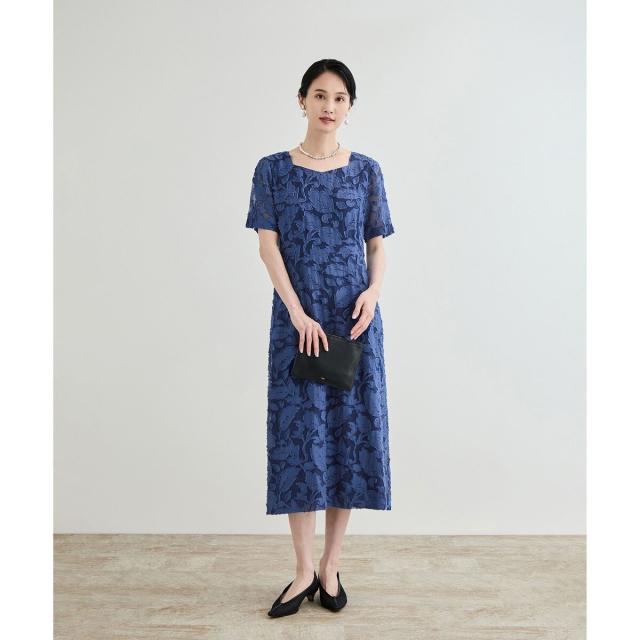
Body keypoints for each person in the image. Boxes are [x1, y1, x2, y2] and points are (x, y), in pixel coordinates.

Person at [245, 59, 395, 618]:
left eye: (339, 98)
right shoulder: (272, 170)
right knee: (300, 442)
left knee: (346, 440)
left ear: (349, 107)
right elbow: (268, 246)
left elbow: (377, 243)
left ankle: (331, 565)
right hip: (297, 324)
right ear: (302, 100)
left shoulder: (367, 171)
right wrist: (296, 313)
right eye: (319, 95)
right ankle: (303, 568)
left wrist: (373, 292)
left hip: (353, 320)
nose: (329, 106)